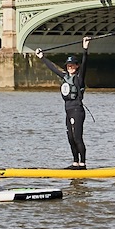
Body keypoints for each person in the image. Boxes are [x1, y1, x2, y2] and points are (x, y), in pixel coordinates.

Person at [34, 39, 89, 169]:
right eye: (68, 65)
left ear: (76, 66)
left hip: (77, 111)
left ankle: (83, 164)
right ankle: (75, 162)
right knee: (70, 138)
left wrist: (85, 49)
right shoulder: (64, 76)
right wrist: (42, 57)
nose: (70, 67)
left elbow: (85, 64)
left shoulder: (79, 78)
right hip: (68, 111)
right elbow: (52, 67)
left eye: (73, 65)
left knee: (77, 137)